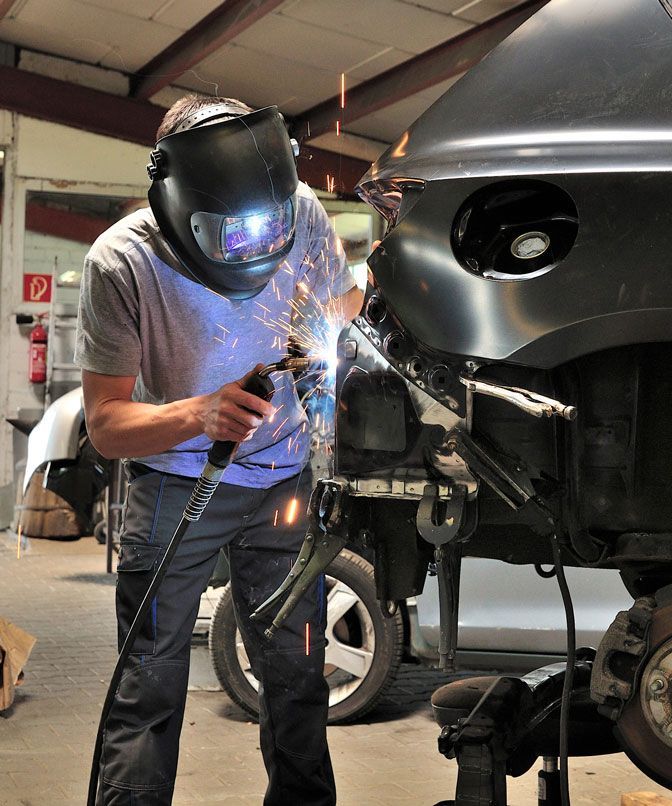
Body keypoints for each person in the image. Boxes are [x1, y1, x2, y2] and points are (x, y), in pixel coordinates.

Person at [76, 95, 362, 805]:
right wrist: (199, 414)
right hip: (179, 486)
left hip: (284, 483)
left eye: (268, 230)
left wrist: (313, 340)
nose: (256, 248)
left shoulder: (300, 212)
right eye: (229, 235)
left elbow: (343, 305)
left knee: (297, 678)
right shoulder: (123, 261)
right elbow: (107, 425)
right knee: (149, 684)